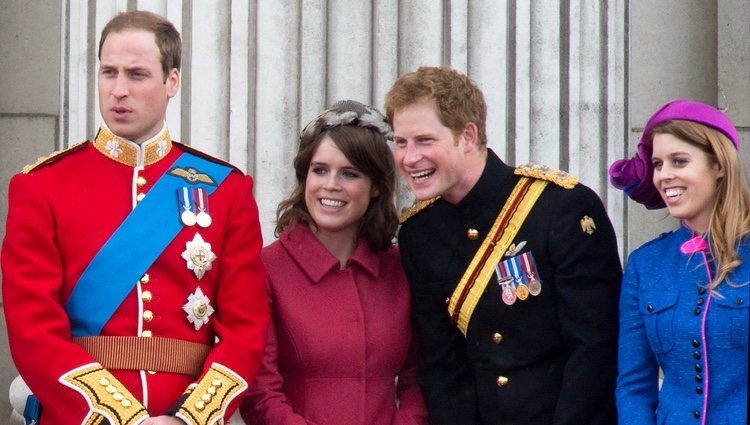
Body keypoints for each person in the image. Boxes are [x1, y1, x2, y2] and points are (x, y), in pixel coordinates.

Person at [1, 10, 269, 425]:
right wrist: (124, 418)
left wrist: (187, 418)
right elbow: (32, 329)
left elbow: (246, 330)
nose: (118, 90)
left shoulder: (227, 190)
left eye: (137, 74)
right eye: (109, 72)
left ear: (172, 82)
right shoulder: (41, 186)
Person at [384, 66, 622, 425]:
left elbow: (594, 351)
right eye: (401, 143)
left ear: (467, 136)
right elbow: (441, 364)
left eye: (424, 141)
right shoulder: (420, 231)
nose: (408, 157)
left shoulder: (560, 208)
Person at [240, 100, 427, 425]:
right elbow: (260, 392)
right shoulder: (266, 268)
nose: (331, 185)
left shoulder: (402, 268)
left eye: (350, 174)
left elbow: (420, 379)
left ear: (376, 188)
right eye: (320, 170)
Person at [609, 99, 749, 424]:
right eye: (658, 164)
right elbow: (633, 386)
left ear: (719, 166)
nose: (664, 176)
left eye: (679, 161)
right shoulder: (644, 265)